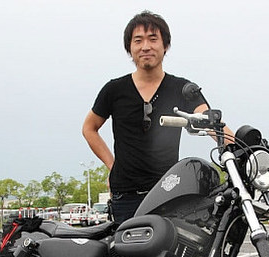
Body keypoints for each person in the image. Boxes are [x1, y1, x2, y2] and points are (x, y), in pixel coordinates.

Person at [82, 10, 209, 226]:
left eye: (153, 39)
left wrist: (242, 147)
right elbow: (89, 128)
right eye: (138, 40)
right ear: (129, 48)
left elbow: (210, 120)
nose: (146, 47)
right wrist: (112, 165)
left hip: (169, 192)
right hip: (126, 196)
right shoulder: (114, 90)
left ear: (165, 45)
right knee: (127, 247)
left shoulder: (183, 88)